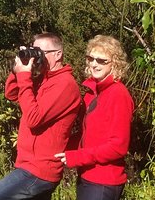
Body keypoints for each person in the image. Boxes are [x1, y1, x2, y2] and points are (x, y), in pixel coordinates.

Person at [0, 33, 82, 200]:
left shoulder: (65, 85)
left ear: (58, 54)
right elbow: (12, 93)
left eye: (40, 52)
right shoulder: (43, 78)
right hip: (28, 166)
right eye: (34, 51)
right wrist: (18, 70)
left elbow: (33, 119)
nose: (37, 57)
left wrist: (24, 76)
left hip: (39, 170)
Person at [55, 35, 134, 200]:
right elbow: (87, 136)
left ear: (115, 64)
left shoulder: (118, 94)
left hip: (103, 183)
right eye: (91, 58)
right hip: (87, 177)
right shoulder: (93, 93)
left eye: (101, 60)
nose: (94, 64)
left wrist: (77, 157)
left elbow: (118, 146)